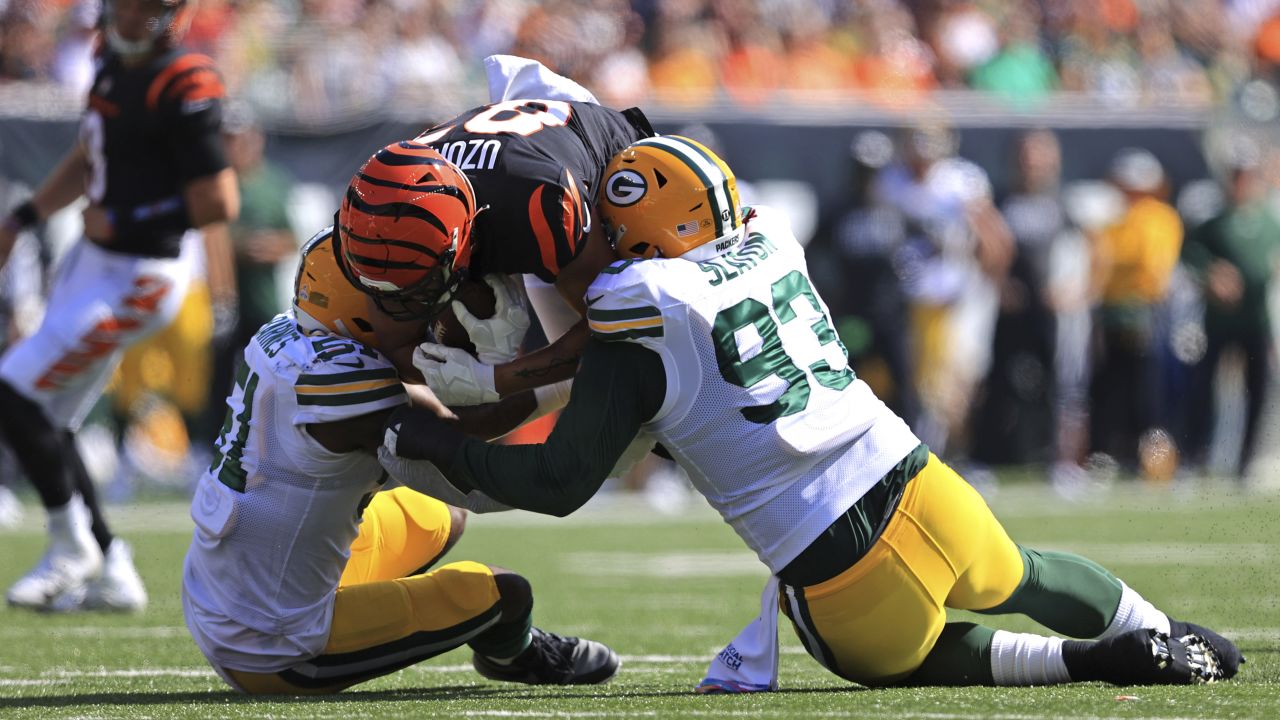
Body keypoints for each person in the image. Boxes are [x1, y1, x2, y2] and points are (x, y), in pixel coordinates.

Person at [383, 135, 1243, 690]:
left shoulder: (637, 305)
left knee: (889, 656)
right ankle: (1163, 631)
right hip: (922, 485)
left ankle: (1077, 665)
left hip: (839, 570)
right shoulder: (771, 242)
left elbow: (561, 481)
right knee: (1024, 570)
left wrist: (437, 437)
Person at [182, 200, 619, 694]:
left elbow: (452, 420)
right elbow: (470, 454)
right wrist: (588, 415)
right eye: (403, 303)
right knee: (507, 593)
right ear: (363, 316)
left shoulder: (289, 335)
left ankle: (324, 590)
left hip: (221, 590)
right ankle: (516, 655)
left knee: (437, 518)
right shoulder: (346, 390)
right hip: (273, 647)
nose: (422, 316)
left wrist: (563, 382)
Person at [0, 0, 239, 612]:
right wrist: (27, 217)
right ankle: (109, 567)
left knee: (15, 389)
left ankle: (71, 545)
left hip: (141, 273)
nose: (126, 18)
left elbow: (218, 201)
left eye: (140, 8)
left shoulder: (187, 80)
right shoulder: (108, 59)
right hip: (90, 263)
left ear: (168, 15)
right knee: (50, 420)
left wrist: (131, 215)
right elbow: (91, 156)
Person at [340, 56, 655, 405]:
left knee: (629, 373)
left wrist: (496, 379)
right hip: (512, 168)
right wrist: (443, 373)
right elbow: (396, 342)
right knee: (476, 410)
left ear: (461, 239)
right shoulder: (379, 228)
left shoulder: (542, 203)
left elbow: (613, 322)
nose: (400, 301)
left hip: (610, 164)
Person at [1181, 140, 1280, 480]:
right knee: (1205, 388)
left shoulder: (1270, 222)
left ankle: (1246, 461)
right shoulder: (1213, 223)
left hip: (1256, 320)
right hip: (1220, 322)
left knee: (1258, 389)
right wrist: (1212, 274)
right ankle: (1199, 455)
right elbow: (1190, 255)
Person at [1087, 148, 1183, 474]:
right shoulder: (1115, 220)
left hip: (1144, 314)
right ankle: (1112, 454)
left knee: (1147, 391)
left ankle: (1153, 459)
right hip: (1112, 314)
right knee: (1111, 388)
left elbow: (1152, 269)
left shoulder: (1157, 217)